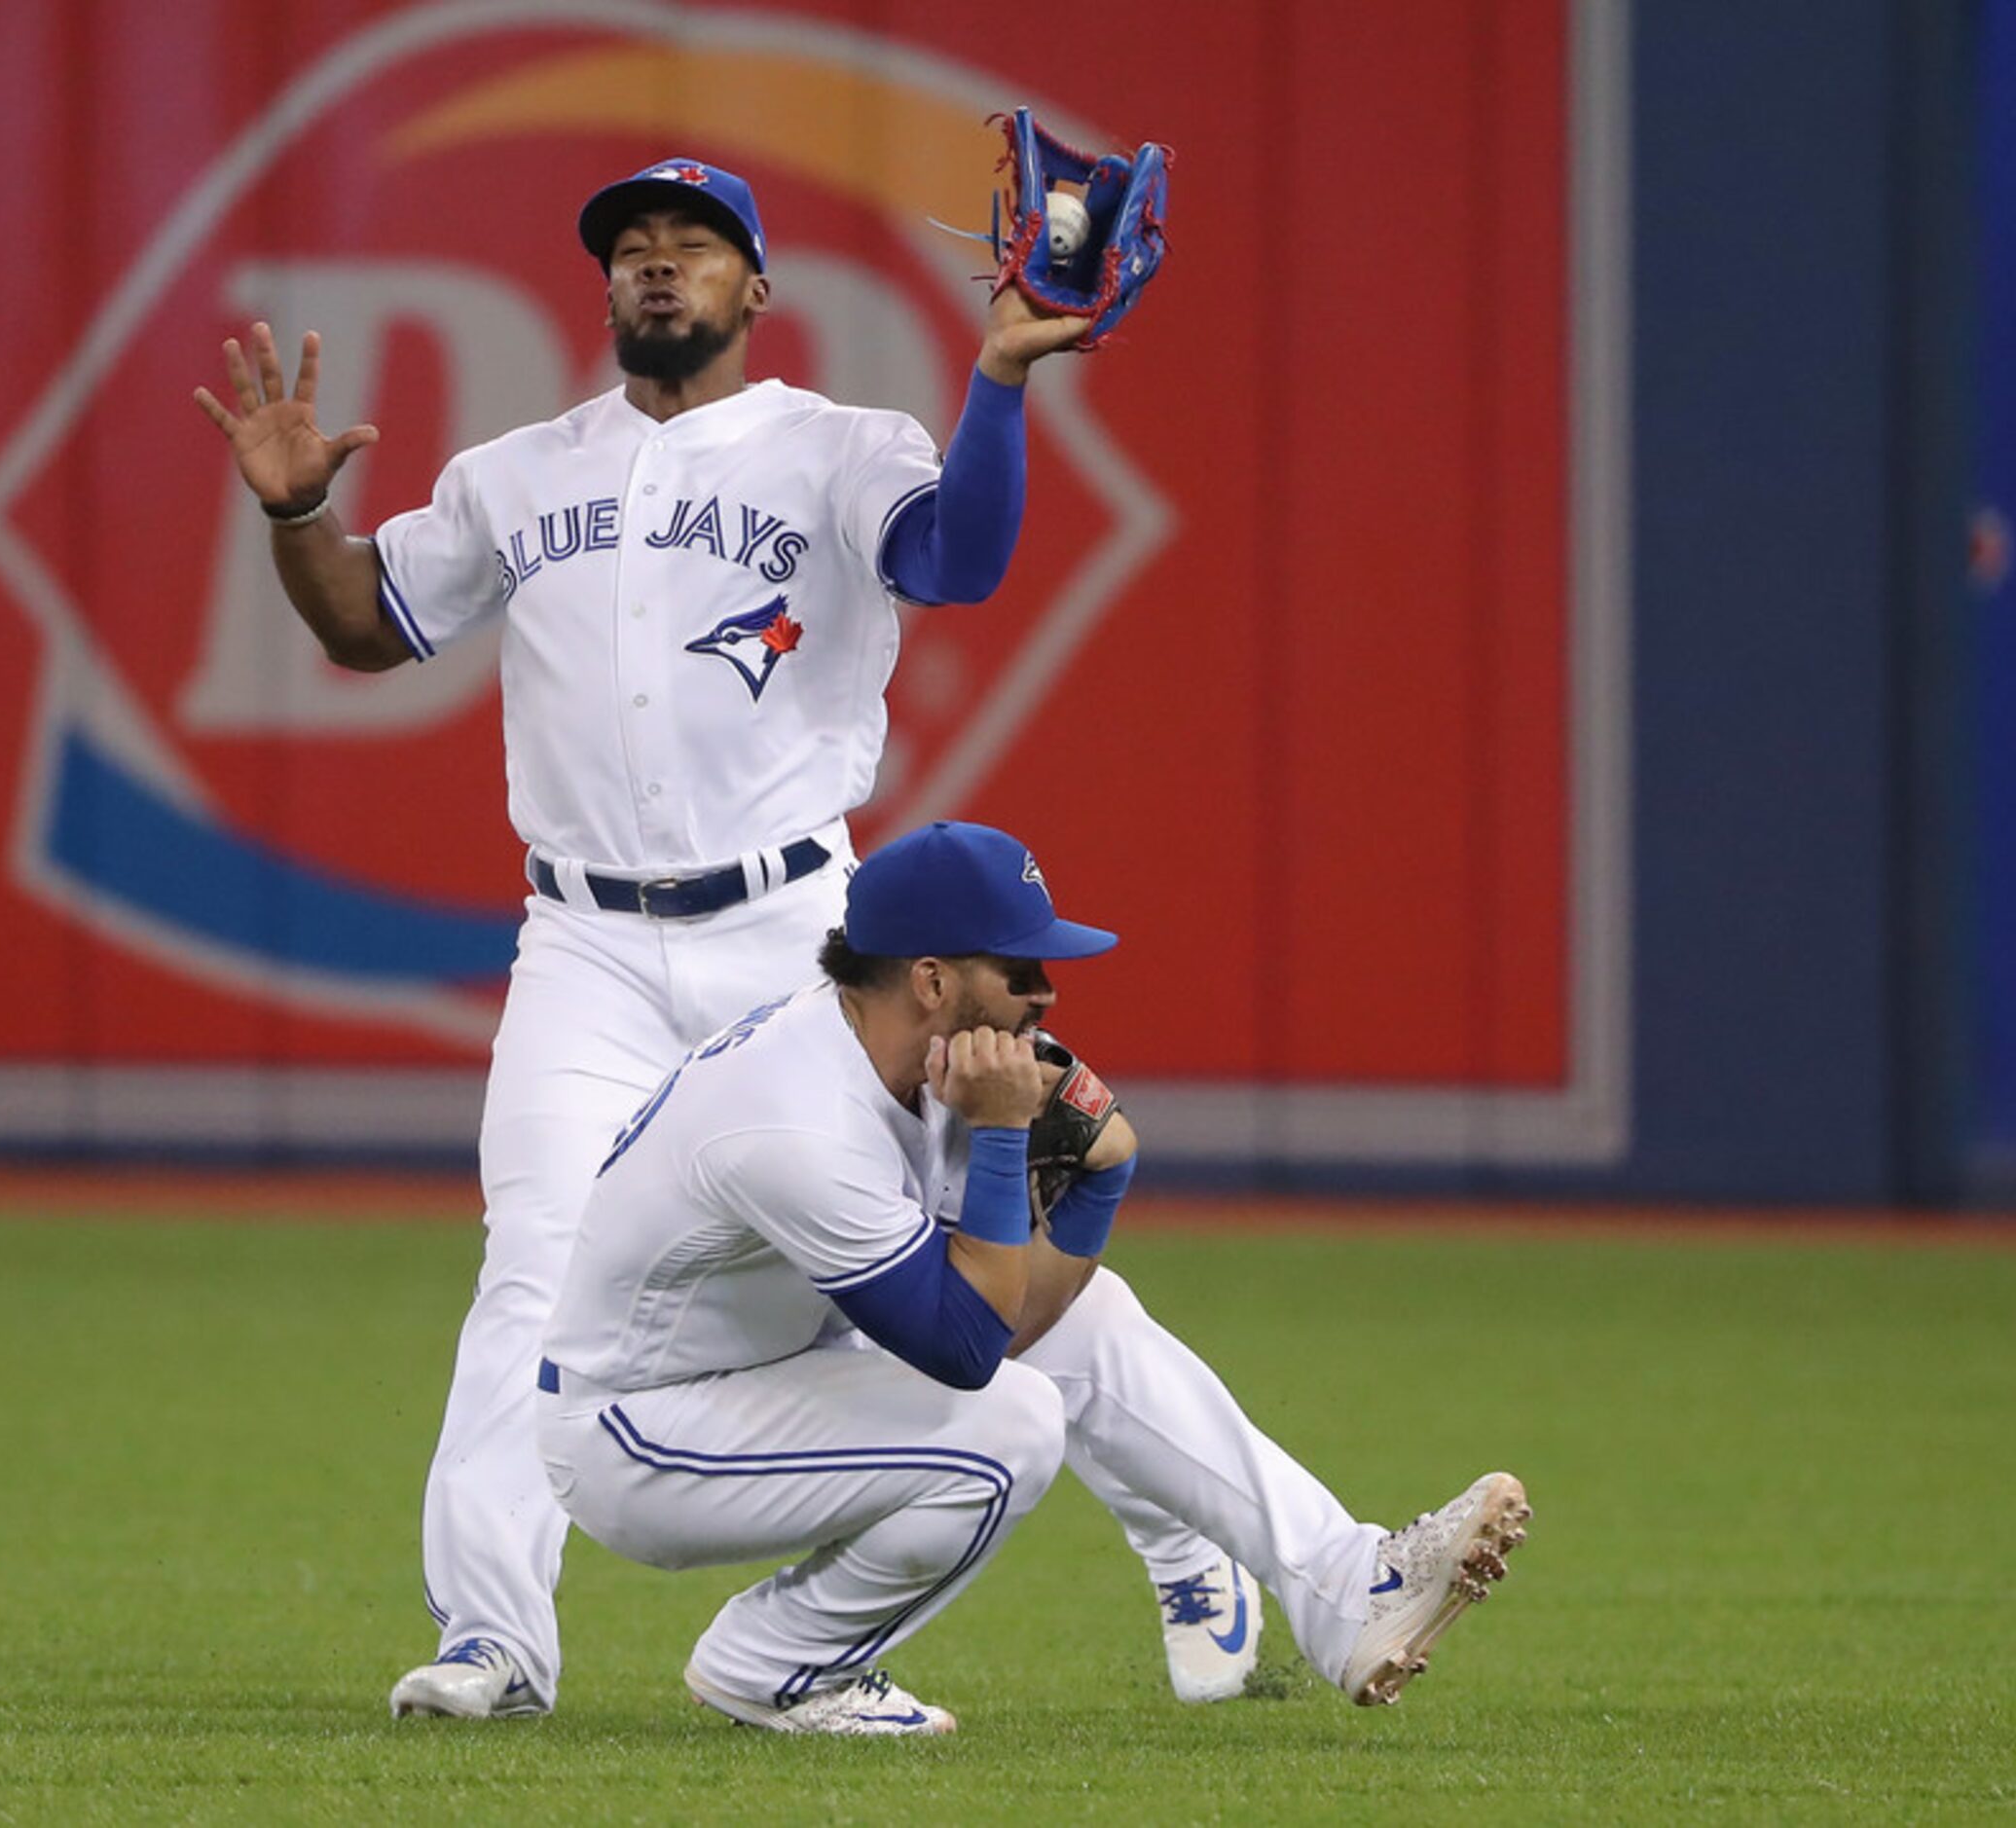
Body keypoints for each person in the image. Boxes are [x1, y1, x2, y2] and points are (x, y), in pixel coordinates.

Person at [194, 156, 1256, 1720]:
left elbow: (956, 558)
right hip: (587, 945)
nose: (658, 264)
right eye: (631, 246)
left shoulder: (837, 446)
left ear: (757, 288)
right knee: (531, 1272)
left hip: (794, 931)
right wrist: (298, 514)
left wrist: (1002, 386)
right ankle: (494, 1644)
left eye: (694, 244)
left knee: (953, 1239)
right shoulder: (516, 472)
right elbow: (363, 622)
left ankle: (1192, 1538)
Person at [538, 822, 1533, 1732]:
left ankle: (1347, 1586)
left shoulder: (919, 1061)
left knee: (1089, 1319)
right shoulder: (794, 1123)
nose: (1045, 992)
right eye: (1018, 966)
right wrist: (1011, 1136)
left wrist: (1100, 1181)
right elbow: (970, 1351)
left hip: (765, 1372)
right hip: (639, 1435)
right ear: (930, 981)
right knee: (1004, 1425)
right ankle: (780, 1663)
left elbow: (1019, 1318)